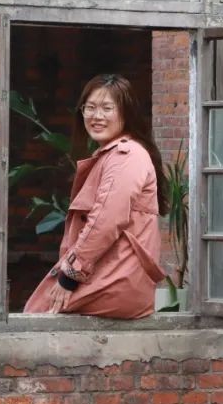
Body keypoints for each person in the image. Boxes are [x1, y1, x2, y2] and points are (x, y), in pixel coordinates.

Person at [24, 74, 169, 319]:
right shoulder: (114, 154)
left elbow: (106, 220)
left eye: (107, 108)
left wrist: (71, 275)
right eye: (90, 108)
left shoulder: (126, 155)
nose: (96, 116)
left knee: (37, 314)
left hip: (118, 279)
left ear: (126, 113)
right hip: (116, 276)